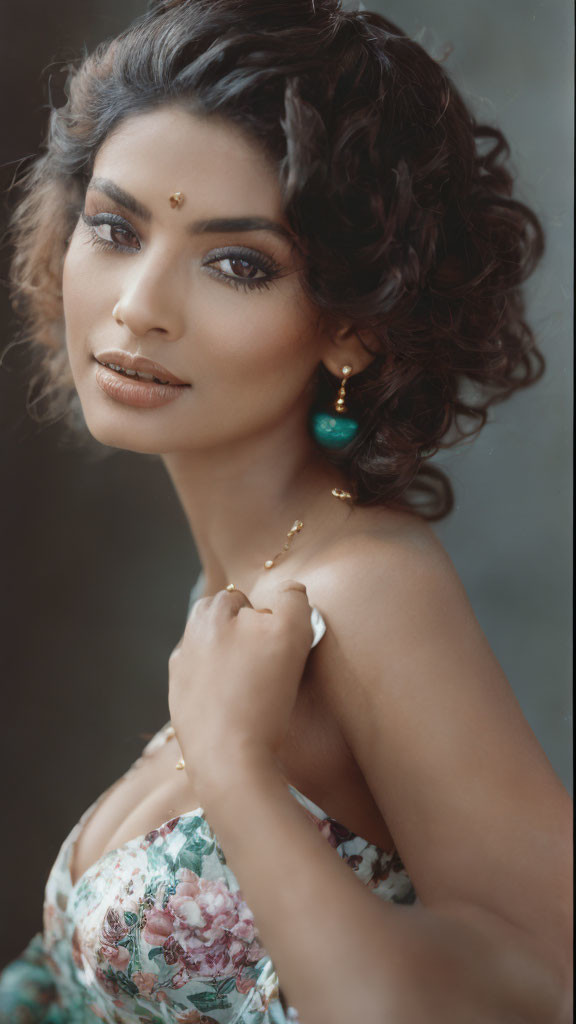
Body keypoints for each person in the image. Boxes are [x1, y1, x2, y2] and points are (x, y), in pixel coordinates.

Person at [0, 1, 572, 1022]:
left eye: (237, 263)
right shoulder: (244, 582)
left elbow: (540, 991)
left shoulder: (364, 591)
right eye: (116, 227)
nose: (138, 304)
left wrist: (235, 768)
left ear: (353, 324)